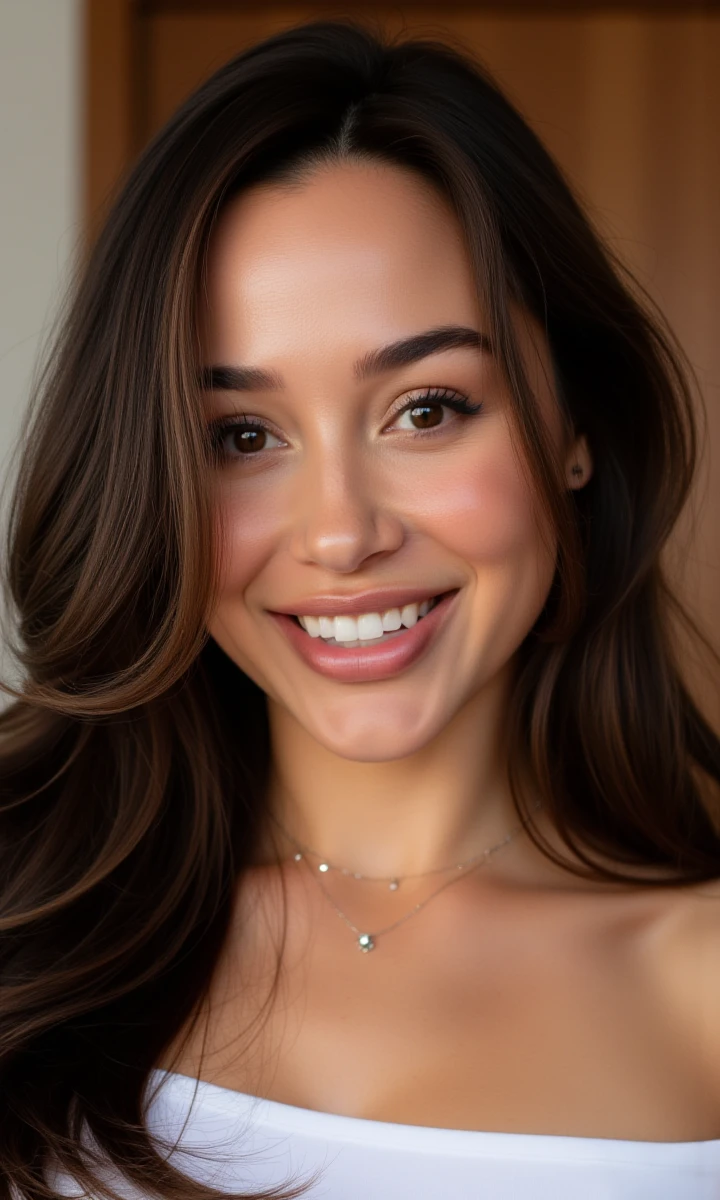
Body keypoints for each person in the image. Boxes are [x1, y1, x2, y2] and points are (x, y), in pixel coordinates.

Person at [1, 17, 719, 1200]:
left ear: (576, 423)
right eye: (241, 435)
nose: (341, 533)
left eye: (427, 409)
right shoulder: (25, 916)